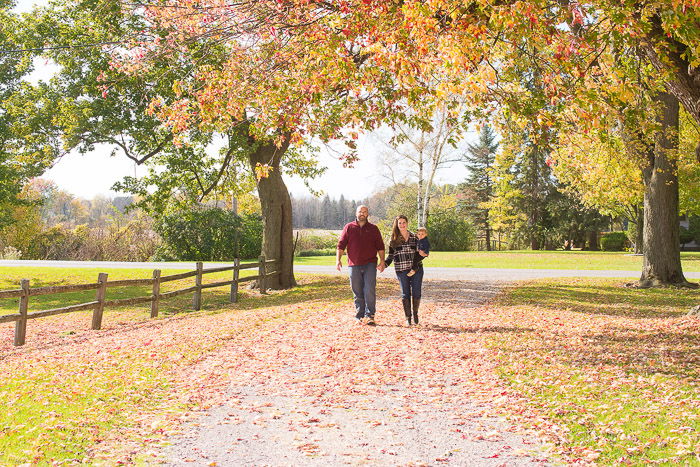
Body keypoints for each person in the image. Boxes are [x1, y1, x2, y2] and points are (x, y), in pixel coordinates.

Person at [336, 205, 386, 326]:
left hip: (370, 263)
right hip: (354, 264)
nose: (362, 214)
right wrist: (338, 260)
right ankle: (360, 315)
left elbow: (380, 246)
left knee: (369, 289)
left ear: (367, 214)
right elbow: (341, 245)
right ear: (356, 213)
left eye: (364, 212)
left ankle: (370, 315)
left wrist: (382, 261)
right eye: (360, 211)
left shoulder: (374, 229)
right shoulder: (349, 227)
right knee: (357, 290)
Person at [384, 215, 426, 326]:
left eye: (404, 222)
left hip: (416, 270)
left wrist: (423, 255)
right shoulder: (393, 240)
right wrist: (384, 265)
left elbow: (421, 253)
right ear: (397, 225)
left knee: (417, 293)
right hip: (401, 270)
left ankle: (415, 313)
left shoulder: (415, 237)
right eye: (400, 223)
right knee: (405, 293)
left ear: (407, 223)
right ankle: (408, 317)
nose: (402, 225)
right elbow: (390, 256)